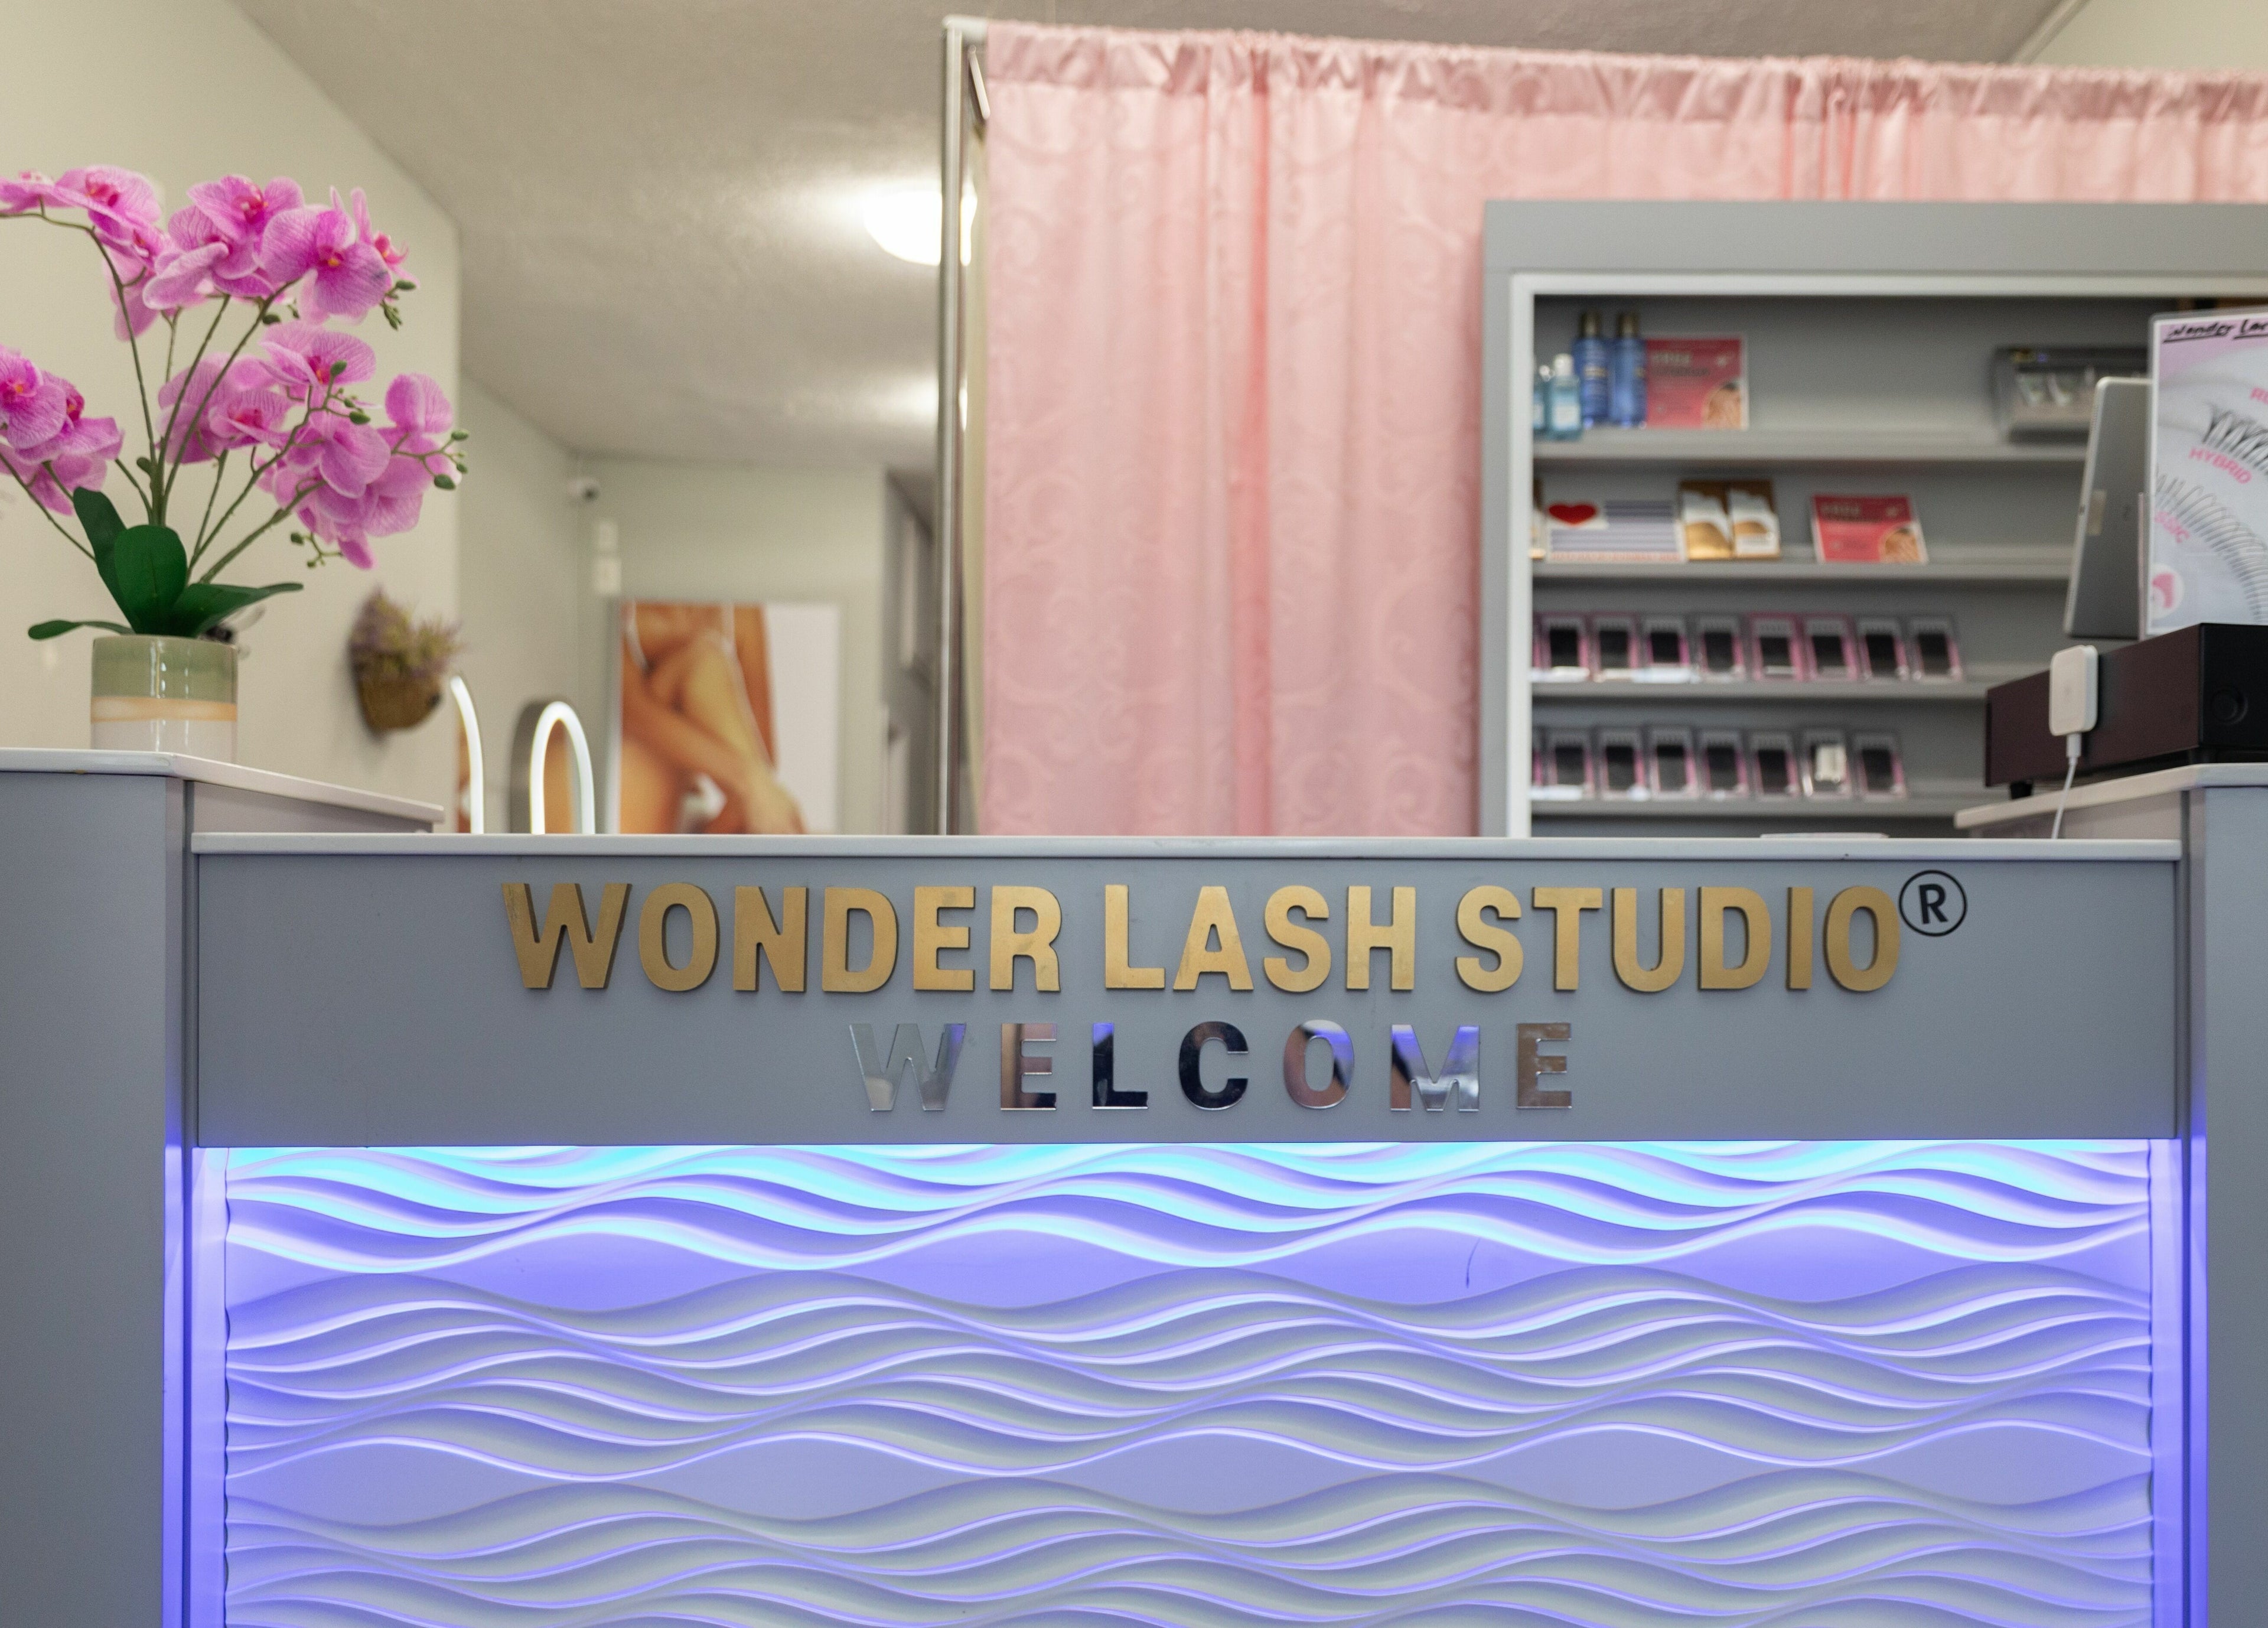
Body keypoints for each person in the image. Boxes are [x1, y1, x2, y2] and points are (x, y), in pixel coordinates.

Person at [618, 602, 806, 833]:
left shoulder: (741, 611)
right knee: (704, 661)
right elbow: (632, 711)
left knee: (761, 795)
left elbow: (763, 762)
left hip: (695, 807)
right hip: (631, 792)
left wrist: (750, 787)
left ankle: (773, 839)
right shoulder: (620, 600)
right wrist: (746, 779)